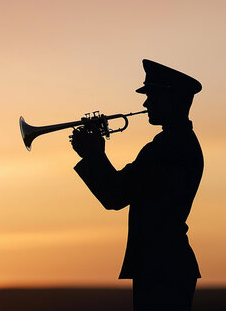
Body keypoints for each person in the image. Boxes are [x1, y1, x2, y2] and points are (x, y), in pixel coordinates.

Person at [70, 59, 203, 311]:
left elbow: (115, 196)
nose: (145, 103)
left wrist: (94, 155)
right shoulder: (174, 144)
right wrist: (94, 155)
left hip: (162, 266)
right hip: (165, 263)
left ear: (170, 99)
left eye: (152, 96)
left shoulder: (167, 149)